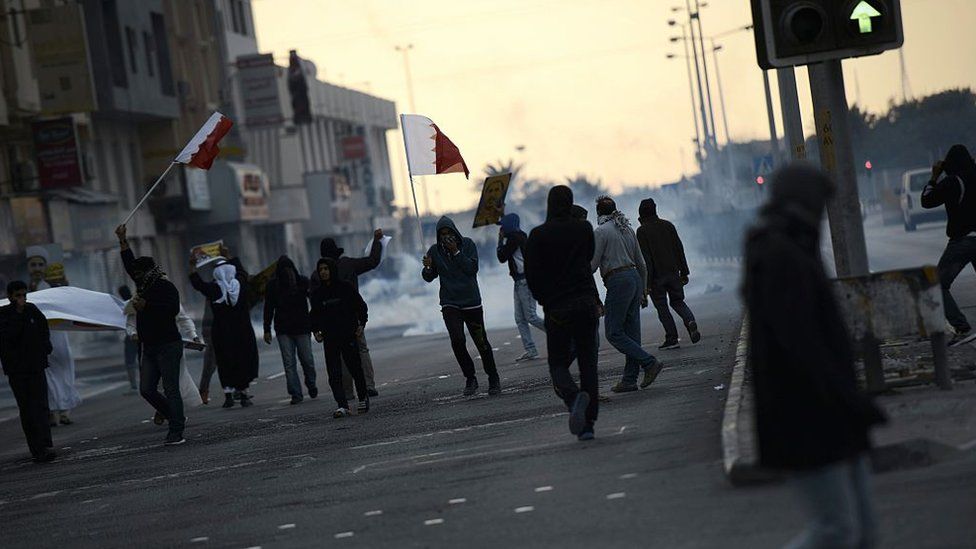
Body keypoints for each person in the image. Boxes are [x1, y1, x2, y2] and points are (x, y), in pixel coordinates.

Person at [744, 164, 886, 549]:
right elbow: (800, 346)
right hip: (806, 415)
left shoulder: (794, 245)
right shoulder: (779, 255)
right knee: (836, 529)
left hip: (831, 412)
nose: (824, 213)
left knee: (862, 533)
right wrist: (849, 399)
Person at [526, 186, 602, 441]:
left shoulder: (538, 235)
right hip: (585, 303)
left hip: (558, 308)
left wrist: (544, 299)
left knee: (558, 364)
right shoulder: (583, 229)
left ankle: (573, 397)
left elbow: (532, 275)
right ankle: (588, 424)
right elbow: (589, 257)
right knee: (588, 364)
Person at [115, 225, 187, 446]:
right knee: (146, 389)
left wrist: (148, 306)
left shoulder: (165, 286)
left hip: (168, 345)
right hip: (150, 347)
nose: (135, 278)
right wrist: (123, 240)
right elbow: (129, 265)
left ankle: (176, 430)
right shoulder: (143, 284)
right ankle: (174, 415)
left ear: (148, 272)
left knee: (171, 389)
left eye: (139, 274)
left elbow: (172, 310)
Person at [591, 196, 662, 393]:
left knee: (613, 332)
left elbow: (593, 265)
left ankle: (649, 363)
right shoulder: (627, 228)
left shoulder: (601, 232)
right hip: (634, 278)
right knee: (632, 333)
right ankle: (630, 380)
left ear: (598, 213)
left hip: (618, 280)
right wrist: (644, 291)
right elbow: (641, 263)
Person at [422, 217, 501, 397]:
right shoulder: (435, 251)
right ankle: (470, 377)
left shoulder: (467, 245)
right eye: (442, 234)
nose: (446, 237)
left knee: (481, 342)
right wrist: (427, 268)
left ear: (455, 232)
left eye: (449, 233)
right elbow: (429, 277)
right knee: (457, 341)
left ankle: (493, 377)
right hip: (450, 303)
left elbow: (472, 269)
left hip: (471, 302)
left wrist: (456, 252)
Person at [189, 250, 259, 408]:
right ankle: (244, 395)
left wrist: (192, 266)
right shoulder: (239, 285)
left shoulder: (214, 290)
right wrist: (230, 256)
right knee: (242, 361)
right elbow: (241, 271)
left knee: (225, 363)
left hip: (221, 333)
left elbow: (197, 284)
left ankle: (228, 395)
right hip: (241, 332)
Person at [921, 144, 976, 346]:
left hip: (962, 242)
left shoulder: (953, 182)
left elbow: (926, 200)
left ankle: (961, 326)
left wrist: (934, 176)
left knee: (936, 285)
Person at [319, 230, 383, 398]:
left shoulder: (318, 273)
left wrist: (316, 327)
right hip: (352, 317)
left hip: (332, 323)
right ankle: (369, 385)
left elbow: (315, 302)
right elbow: (372, 261)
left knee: (341, 356)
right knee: (361, 350)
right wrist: (377, 242)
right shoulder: (347, 265)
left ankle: (348, 393)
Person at [24, 246, 81, 426]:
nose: (37, 269)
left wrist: (63, 284)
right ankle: (52, 412)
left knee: (64, 372)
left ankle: (65, 411)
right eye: (34, 265)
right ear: (28, 267)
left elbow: (68, 301)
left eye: (41, 265)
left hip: (58, 335)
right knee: (46, 375)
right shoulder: (22, 289)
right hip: (38, 337)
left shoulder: (55, 284)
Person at [0, 281, 56, 462]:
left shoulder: (32, 311)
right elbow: (9, 337)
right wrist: (18, 314)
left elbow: (43, 330)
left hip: (36, 366)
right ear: (10, 296)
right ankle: (37, 448)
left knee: (41, 406)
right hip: (17, 370)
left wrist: (45, 348)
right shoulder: (5, 315)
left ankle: (45, 443)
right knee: (27, 409)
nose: (21, 299)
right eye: (17, 295)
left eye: (24, 295)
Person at [636, 198, 701, 350]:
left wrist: (647, 283)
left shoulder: (642, 231)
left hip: (657, 279)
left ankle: (672, 338)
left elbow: (646, 259)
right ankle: (689, 320)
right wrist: (684, 271)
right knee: (678, 302)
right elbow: (679, 249)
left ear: (641, 215)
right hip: (673, 274)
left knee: (662, 308)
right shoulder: (668, 225)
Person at [309, 258, 370, 418]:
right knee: (334, 374)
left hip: (348, 335)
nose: (323, 272)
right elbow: (313, 315)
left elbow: (361, 306)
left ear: (332, 270)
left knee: (355, 368)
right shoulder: (317, 294)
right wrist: (315, 331)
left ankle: (363, 397)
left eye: (326, 269)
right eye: (320, 269)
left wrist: (361, 325)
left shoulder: (345, 288)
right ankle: (342, 405)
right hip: (330, 338)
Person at [263, 256, 318, 405]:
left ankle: (311, 383)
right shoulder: (273, 286)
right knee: (289, 363)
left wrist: (316, 322)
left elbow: (314, 300)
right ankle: (296, 393)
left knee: (307, 361)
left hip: (302, 327)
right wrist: (266, 328)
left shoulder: (302, 282)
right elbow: (268, 308)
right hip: (284, 329)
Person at [497, 213, 545, 361]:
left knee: (530, 316)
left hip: (525, 281)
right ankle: (530, 350)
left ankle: (561, 335)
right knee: (520, 318)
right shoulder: (520, 236)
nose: (502, 229)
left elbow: (502, 257)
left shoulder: (515, 239)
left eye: (503, 226)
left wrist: (500, 240)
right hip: (519, 282)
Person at [119, 286, 140, 393]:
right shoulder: (136, 302)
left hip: (131, 336)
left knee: (130, 362)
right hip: (141, 335)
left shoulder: (125, 305)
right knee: (143, 360)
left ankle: (133, 386)